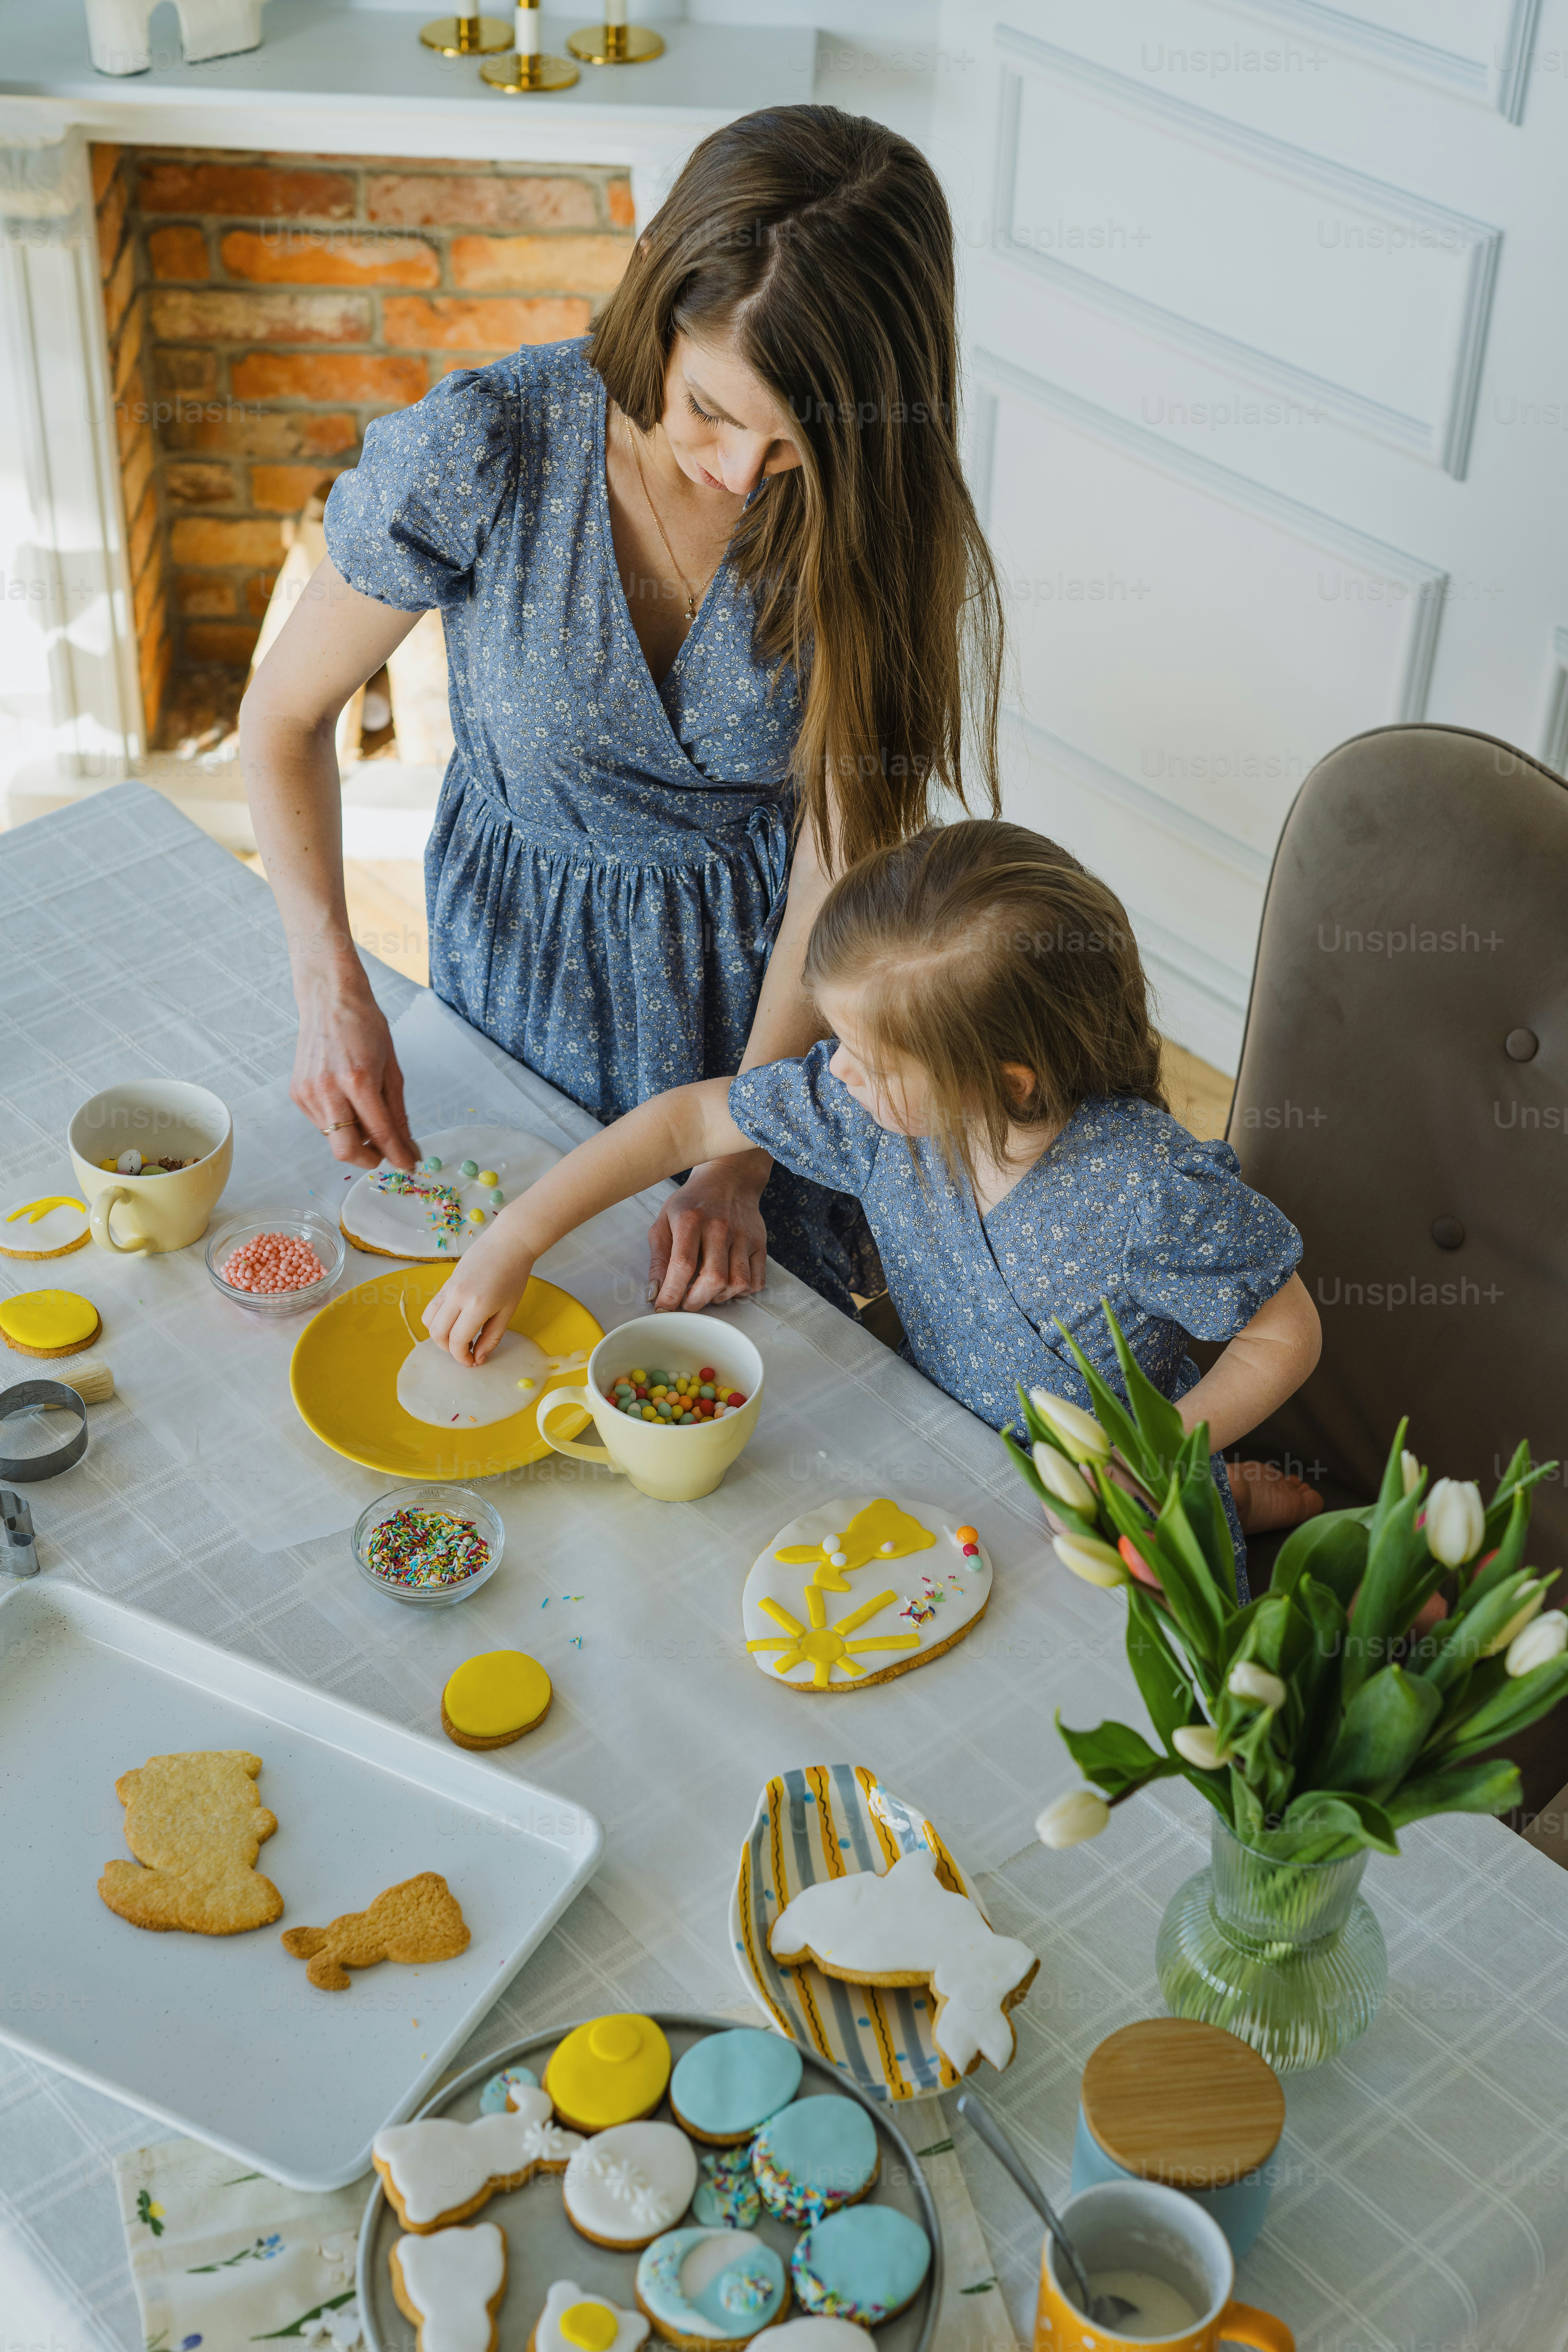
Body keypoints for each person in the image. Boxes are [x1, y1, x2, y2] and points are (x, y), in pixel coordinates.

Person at [239, 103, 1003, 1324]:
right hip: (512, 974)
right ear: (657, 292)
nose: (743, 473)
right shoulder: (487, 445)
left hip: (762, 1020)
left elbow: (835, 867)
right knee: (491, 1317)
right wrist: (332, 985)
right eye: (708, 410)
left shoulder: (873, 511)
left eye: (791, 443)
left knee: (735, 1368)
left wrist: (741, 1152)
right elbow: (282, 718)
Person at [421, 822, 1324, 1589]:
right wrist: (517, 1236)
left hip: (1120, 1486)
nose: (834, 1072)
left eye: (866, 1057)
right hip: (944, 1440)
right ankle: (1236, 1484)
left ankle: (1226, 1497)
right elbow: (685, 1124)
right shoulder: (874, 1113)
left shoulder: (1149, 1191)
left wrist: (1167, 1448)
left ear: (1003, 1084)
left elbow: (1287, 1334)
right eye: (837, 1040)